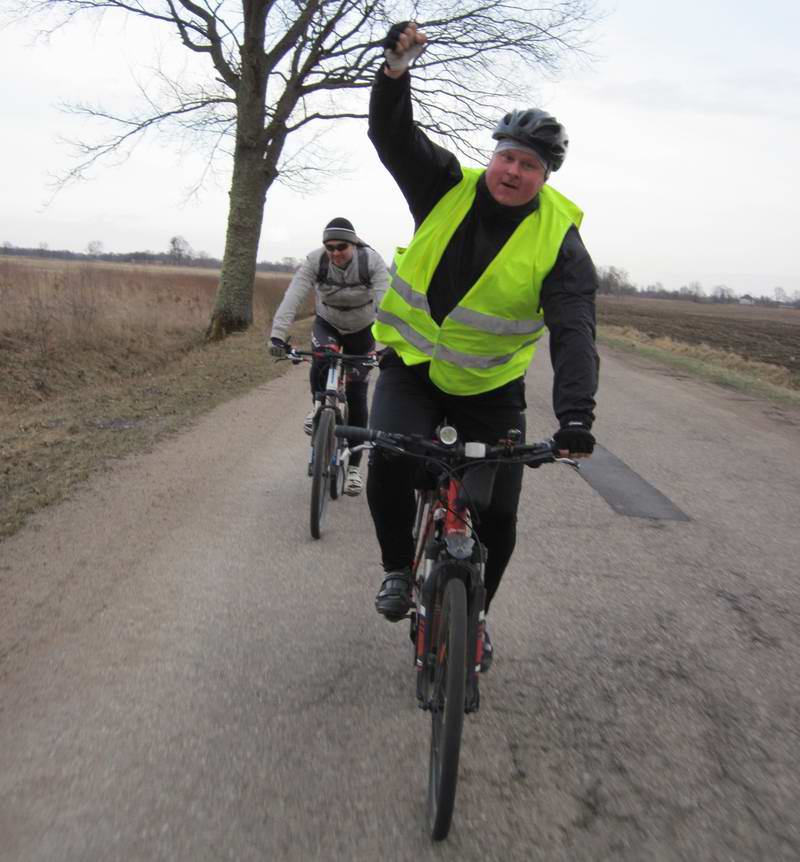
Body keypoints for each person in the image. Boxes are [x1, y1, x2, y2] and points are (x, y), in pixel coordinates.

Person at [366, 23, 599, 669]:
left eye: (529, 165)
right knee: (389, 458)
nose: (513, 171)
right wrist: (393, 74)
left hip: (491, 392)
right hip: (412, 370)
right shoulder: (445, 186)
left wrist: (577, 417)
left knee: (497, 515)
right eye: (507, 156)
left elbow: (576, 331)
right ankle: (393, 568)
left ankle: (477, 617)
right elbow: (393, 138)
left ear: (545, 176)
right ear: (492, 154)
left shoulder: (562, 244)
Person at [269, 218, 390, 496]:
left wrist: (386, 346)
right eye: (329, 247)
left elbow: (387, 302)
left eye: (341, 247)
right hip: (328, 323)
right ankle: (318, 406)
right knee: (322, 356)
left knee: (358, 394)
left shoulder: (371, 262)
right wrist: (277, 335)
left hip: (363, 328)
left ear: (354, 244)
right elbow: (293, 295)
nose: (335, 252)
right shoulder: (316, 261)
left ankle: (356, 469)